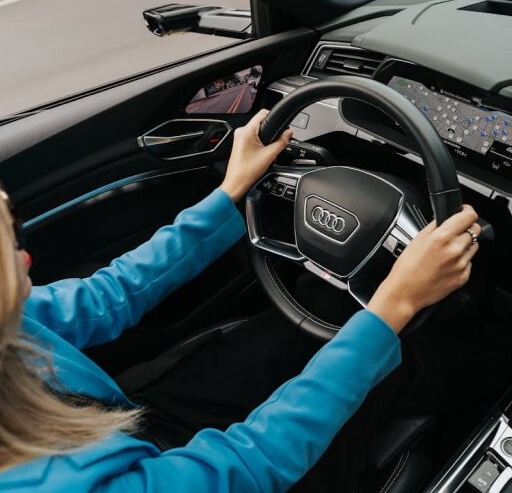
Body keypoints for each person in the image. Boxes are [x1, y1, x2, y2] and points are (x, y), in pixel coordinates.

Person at [0, 110, 480, 492]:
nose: (26, 257)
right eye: (11, 242)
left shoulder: (9, 318)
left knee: (309, 319)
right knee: (429, 358)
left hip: (123, 430)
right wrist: (396, 304)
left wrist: (230, 190)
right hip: (199, 472)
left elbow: (105, 297)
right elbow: (249, 464)